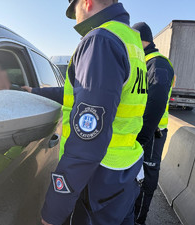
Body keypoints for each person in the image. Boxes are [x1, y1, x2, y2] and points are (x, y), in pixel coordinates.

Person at [24, 1, 148, 224]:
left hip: (97, 181)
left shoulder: (101, 41)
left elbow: (87, 142)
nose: (75, 19)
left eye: (74, 12)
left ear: (87, 2)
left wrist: (54, 211)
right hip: (123, 174)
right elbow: (88, 94)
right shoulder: (130, 40)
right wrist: (34, 91)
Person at [132, 22, 174, 225]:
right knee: (136, 177)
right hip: (143, 132)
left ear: (141, 40)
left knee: (146, 179)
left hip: (151, 134)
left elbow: (156, 102)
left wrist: (142, 137)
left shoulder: (158, 64)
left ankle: (138, 220)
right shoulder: (144, 62)